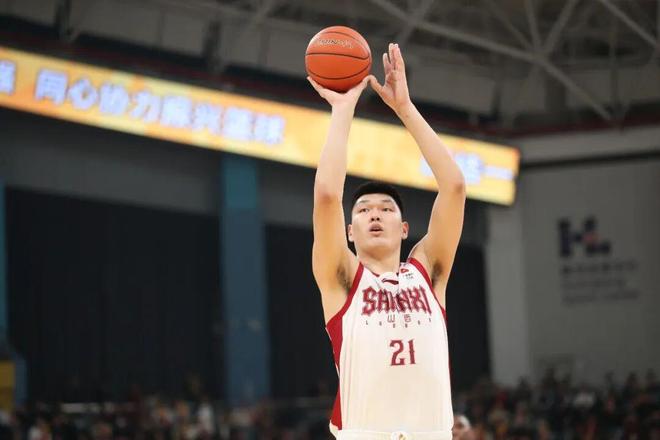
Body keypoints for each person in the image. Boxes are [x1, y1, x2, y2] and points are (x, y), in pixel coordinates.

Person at [309, 42, 466, 440]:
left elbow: (454, 187)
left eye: (385, 209)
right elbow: (327, 196)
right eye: (363, 210)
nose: (375, 214)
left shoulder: (428, 272)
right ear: (349, 232)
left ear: (405, 228)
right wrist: (343, 109)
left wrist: (405, 109)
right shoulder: (343, 278)